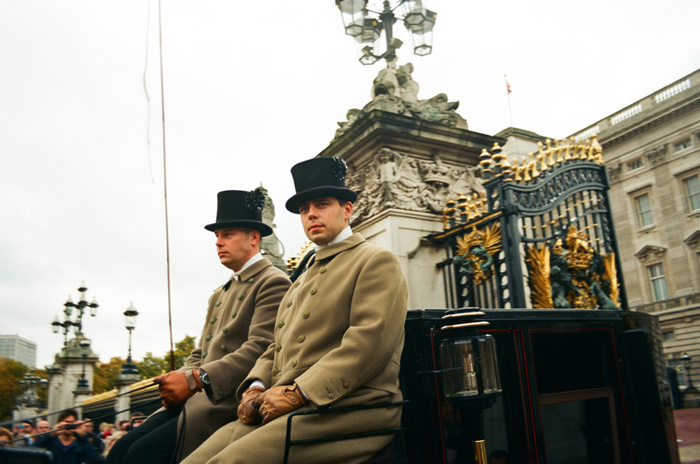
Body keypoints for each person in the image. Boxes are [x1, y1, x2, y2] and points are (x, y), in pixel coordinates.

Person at [183, 157, 408, 464]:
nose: (311, 214)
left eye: (322, 204)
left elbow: (368, 343)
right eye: (304, 209)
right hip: (284, 404)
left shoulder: (375, 260)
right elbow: (275, 347)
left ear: (347, 209)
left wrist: (298, 392)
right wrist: (254, 388)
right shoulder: (301, 278)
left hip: (350, 407)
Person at [106, 188, 291, 464]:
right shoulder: (220, 292)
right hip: (196, 399)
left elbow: (260, 349)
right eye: (217, 236)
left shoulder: (273, 281)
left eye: (227, 234)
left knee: (141, 454)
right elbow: (199, 353)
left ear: (254, 237)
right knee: (121, 448)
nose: (218, 242)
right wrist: (177, 379)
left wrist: (195, 380)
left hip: (226, 402)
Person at [33, 409, 97, 464]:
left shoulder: (80, 442)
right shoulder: (51, 441)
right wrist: (52, 434)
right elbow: (33, 450)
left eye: (72, 422)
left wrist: (83, 437)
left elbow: (92, 460)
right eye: (66, 422)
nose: (69, 425)